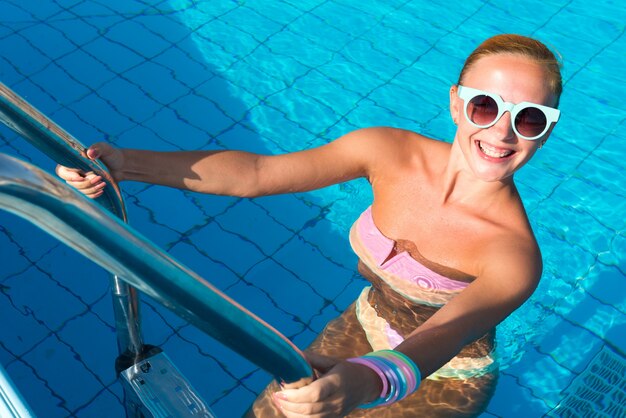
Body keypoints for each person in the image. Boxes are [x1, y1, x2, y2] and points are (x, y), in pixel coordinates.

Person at [57, 33, 562, 417]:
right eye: (485, 105)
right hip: (361, 324)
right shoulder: (387, 151)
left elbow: (441, 339)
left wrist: (361, 384)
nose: (502, 131)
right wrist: (125, 164)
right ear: (456, 102)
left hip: (445, 377)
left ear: (546, 132)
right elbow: (257, 174)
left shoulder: (512, 256)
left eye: (530, 118)